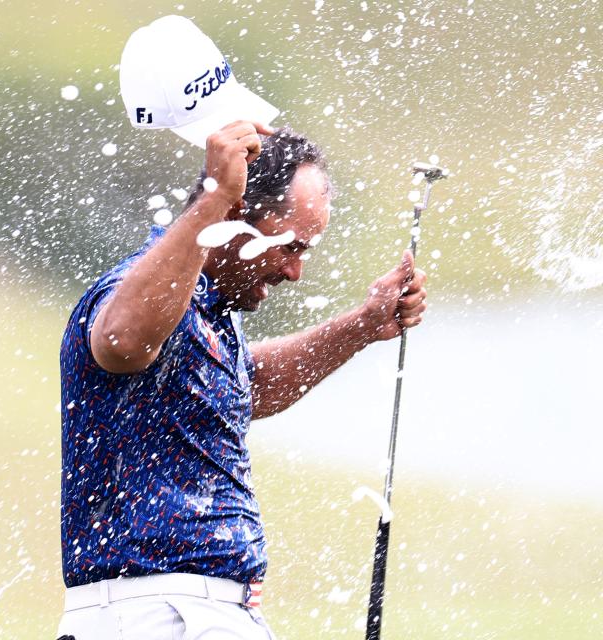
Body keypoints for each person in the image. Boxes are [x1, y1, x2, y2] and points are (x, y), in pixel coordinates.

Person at [56, 122, 428, 640]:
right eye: (290, 247)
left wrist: (364, 325)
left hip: (188, 612)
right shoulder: (137, 293)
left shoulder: (205, 313)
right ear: (233, 219)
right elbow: (120, 341)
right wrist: (215, 198)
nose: (295, 272)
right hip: (157, 612)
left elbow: (245, 386)